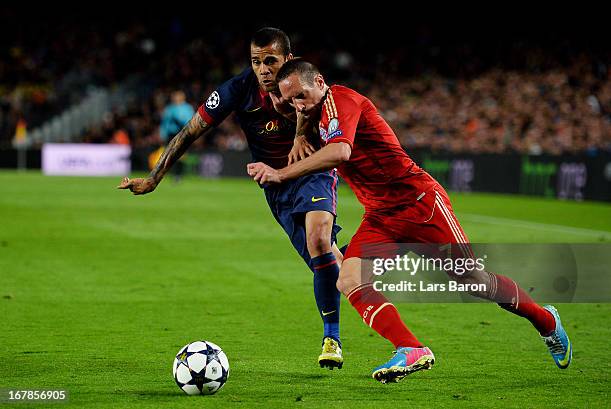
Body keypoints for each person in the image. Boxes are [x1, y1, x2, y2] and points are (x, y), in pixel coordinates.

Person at [247, 59, 572, 383]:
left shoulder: (341, 101)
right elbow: (311, 123)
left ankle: (545, 320)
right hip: (381, 216)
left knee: (475, 281)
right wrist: (299, 132)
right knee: (348, 279)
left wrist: (281, 173)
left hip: (420, 206)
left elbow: (340, 153)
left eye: (301, 96)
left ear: (319, 81)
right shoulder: (316, 113)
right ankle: (410, 347)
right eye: (288, 100)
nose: (296, 105)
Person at [118, 29, 345, 369]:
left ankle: (332, 338)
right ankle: (363, 271)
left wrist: (301, 134)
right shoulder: (238, 90)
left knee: (318, 238)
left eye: (271, 61)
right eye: (256, 61)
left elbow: (333, 118)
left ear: (288, 60)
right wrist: (154, 178)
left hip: (311, 170)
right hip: (276, 188)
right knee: (326, 262)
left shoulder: (304, 83)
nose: (264, 69)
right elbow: (190, 130)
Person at [159, 90, 195, 181]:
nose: (175, 98)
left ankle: (179, 174)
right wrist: (162, 133)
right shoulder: (169, 108)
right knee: (168, 154)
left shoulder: (187, 108)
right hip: (171, 134)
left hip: (182, 133)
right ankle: (168, 173)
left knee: (181, 154)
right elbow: (165, 122)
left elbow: (190, 120)